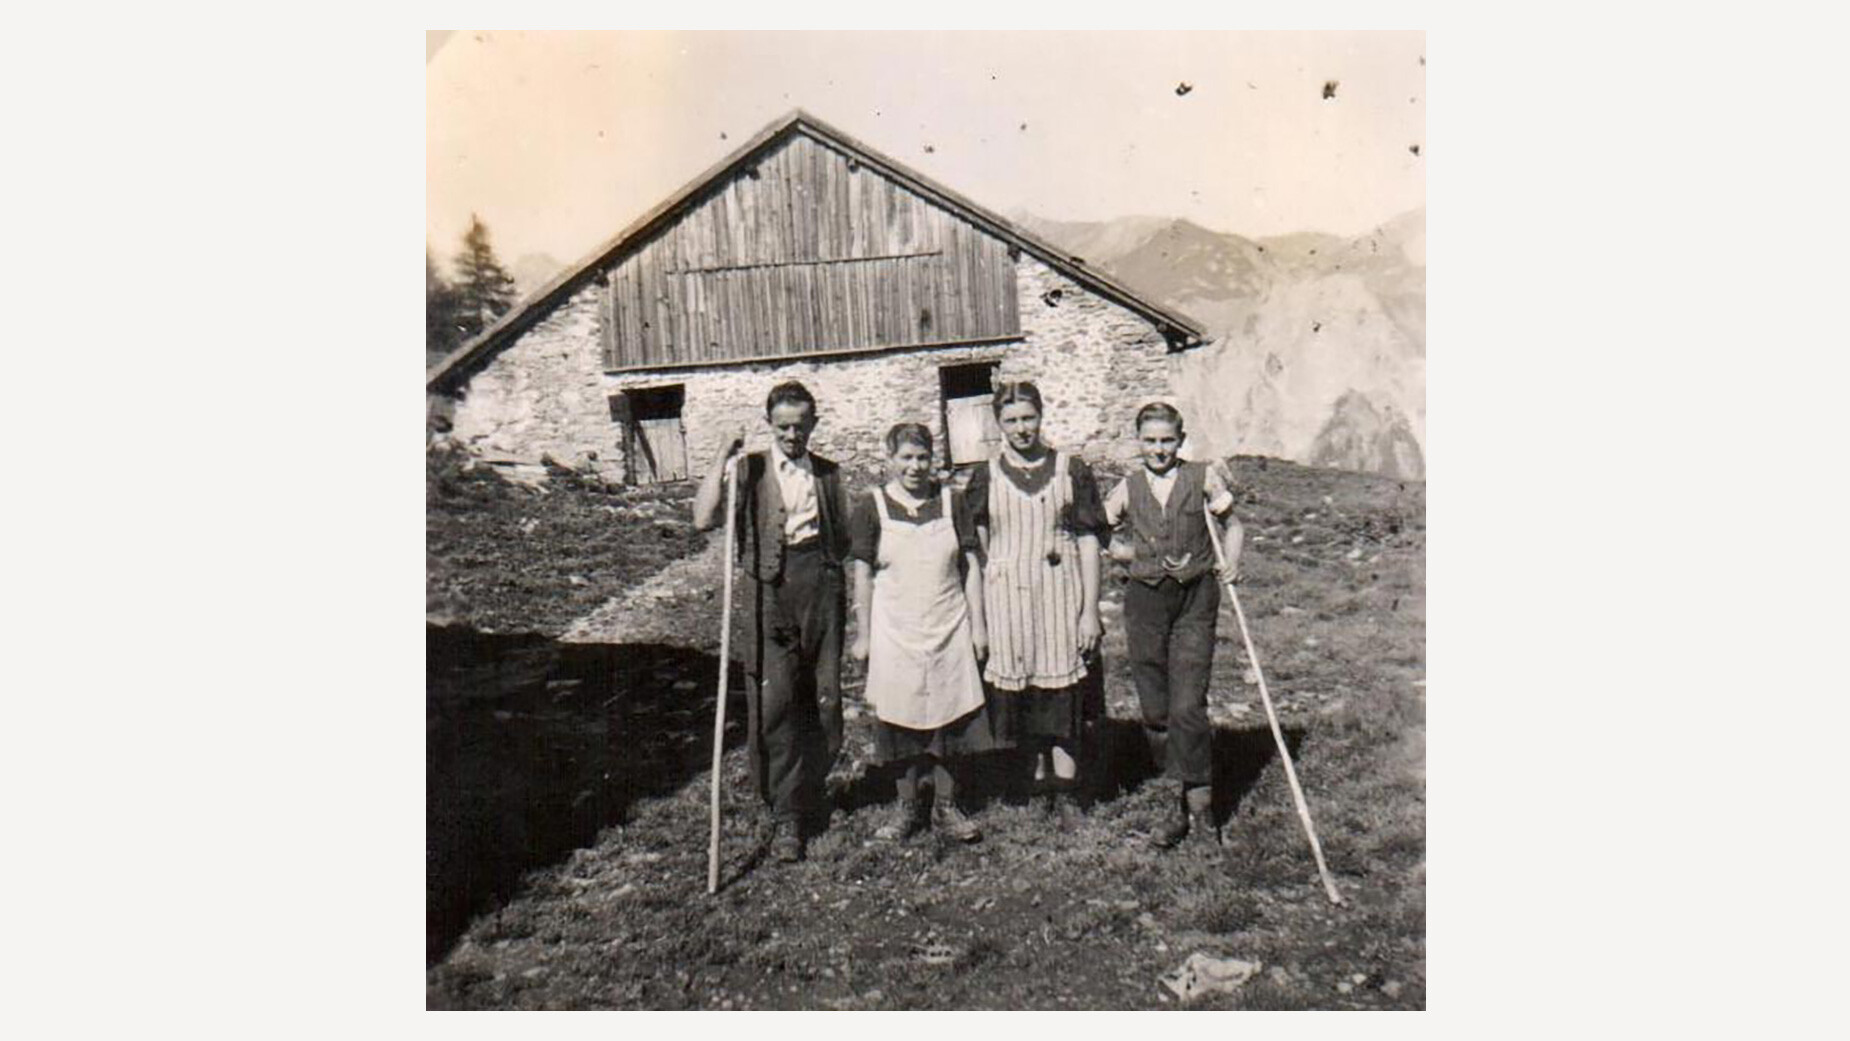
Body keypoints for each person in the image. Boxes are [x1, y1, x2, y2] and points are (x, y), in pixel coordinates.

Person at [692, 380, 849, 863]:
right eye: (783, 427)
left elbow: (841, 541)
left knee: (823, 698)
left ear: (814, 425)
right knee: (777, 703)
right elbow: (703, 518)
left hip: (820, 591)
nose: (792, 435)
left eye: (801, 426)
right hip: (768, 594)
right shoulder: (749, 470)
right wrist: (722, 453)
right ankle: (786, 815)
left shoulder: (828, 474)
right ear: (770, 426)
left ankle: (812, 790)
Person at [1103, 401, 1244, 849]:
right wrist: (1124, 553)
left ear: (1180, 440)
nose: (1159, 449)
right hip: (1144, 603)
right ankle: (1174, 800)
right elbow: (1100, 529)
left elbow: (1233, 525)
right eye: (1150, 441)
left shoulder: (1202, 477)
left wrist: (1233, 562)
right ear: (1138, 442)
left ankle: (1201, 812)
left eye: (1167, 440)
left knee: (1188, 706)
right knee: (1156, 710)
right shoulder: (1127, 487)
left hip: (1194, 599)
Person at [964, 380, 1106, 811]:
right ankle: (1034, 781)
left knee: (1061, 690)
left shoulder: (1071, 469)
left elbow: (1087, 541)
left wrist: (1090, 611)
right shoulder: (985, 476)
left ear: (1041, 417)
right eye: (1011, 420)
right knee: (1021, 687)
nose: (1021, 428)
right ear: (998, 424)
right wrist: (984, 614)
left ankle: (1066, 787)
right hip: (1008, 598)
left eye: (1028, 418)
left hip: (1061, 595)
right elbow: (979, 548)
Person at [847, 423, 993, 843]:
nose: (915, 467)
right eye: (906, 458)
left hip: (948, 623)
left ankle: (947, 807)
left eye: (922, 458)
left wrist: (978, 627)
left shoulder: (952, 502)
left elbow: (971, 568)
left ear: (934, 459)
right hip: (896, 629)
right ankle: (907, 806)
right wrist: (865, 634)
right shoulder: (871, 506)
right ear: (890, 461)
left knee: (951, 716)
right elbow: (862, 574)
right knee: (900, 721)